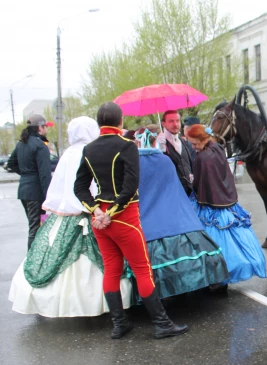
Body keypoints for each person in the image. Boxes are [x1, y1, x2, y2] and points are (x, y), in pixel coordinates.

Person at [74, 102, 188, 340]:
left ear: (98, 122)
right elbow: (130, 186)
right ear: (120, 121)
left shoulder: (89, 149)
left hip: (101, 221)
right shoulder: (126, 146)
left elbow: (80, 187)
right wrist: (111, 212)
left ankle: (120, 324)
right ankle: (161, 323)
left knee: (112, 270)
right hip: (124, 217)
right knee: (142, 269)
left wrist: (97, 212)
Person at [9, 116, 133, 317]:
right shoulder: (91, 151)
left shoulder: (68, 154)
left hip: (67, 216)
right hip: (92, 212)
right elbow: (92, 184)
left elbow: (59, 185)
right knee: (107, 259)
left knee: (58, 257)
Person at [132, 126, 229, 298]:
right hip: (173, 213)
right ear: (156, 140)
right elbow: (173, 188)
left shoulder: (133, 163)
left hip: (147, 216)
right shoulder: (164, 160)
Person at [186, 124, 267, 284]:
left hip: (208, 204)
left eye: (195, 144)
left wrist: (192, 182)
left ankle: (216, 275)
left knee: (213, 240)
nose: (194, 148)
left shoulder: (203, 157)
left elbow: (200, 182)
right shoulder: (217, 147)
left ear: (204, 139)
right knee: (233, 237)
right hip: (226, 201)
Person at [7, 114, 53, 249]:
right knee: (36, 228)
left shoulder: (21, 143)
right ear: (40, 127)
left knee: (36, 225)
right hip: (36, 194)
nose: (47, 130)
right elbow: (45, 175)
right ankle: (32, 262)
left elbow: (11, 163)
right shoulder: (40, 146)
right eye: (46, 127)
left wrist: (26, 175)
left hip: (24, 192)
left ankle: (36, 259)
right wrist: (49, 198)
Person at [158, 110, 194, 196]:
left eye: (177, 121)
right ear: (163, 124)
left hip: (191, 192)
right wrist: (159, 149)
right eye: (171, 121)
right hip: (173, 194)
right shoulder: (160, 144)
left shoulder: (184, 142)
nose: (175, 124)